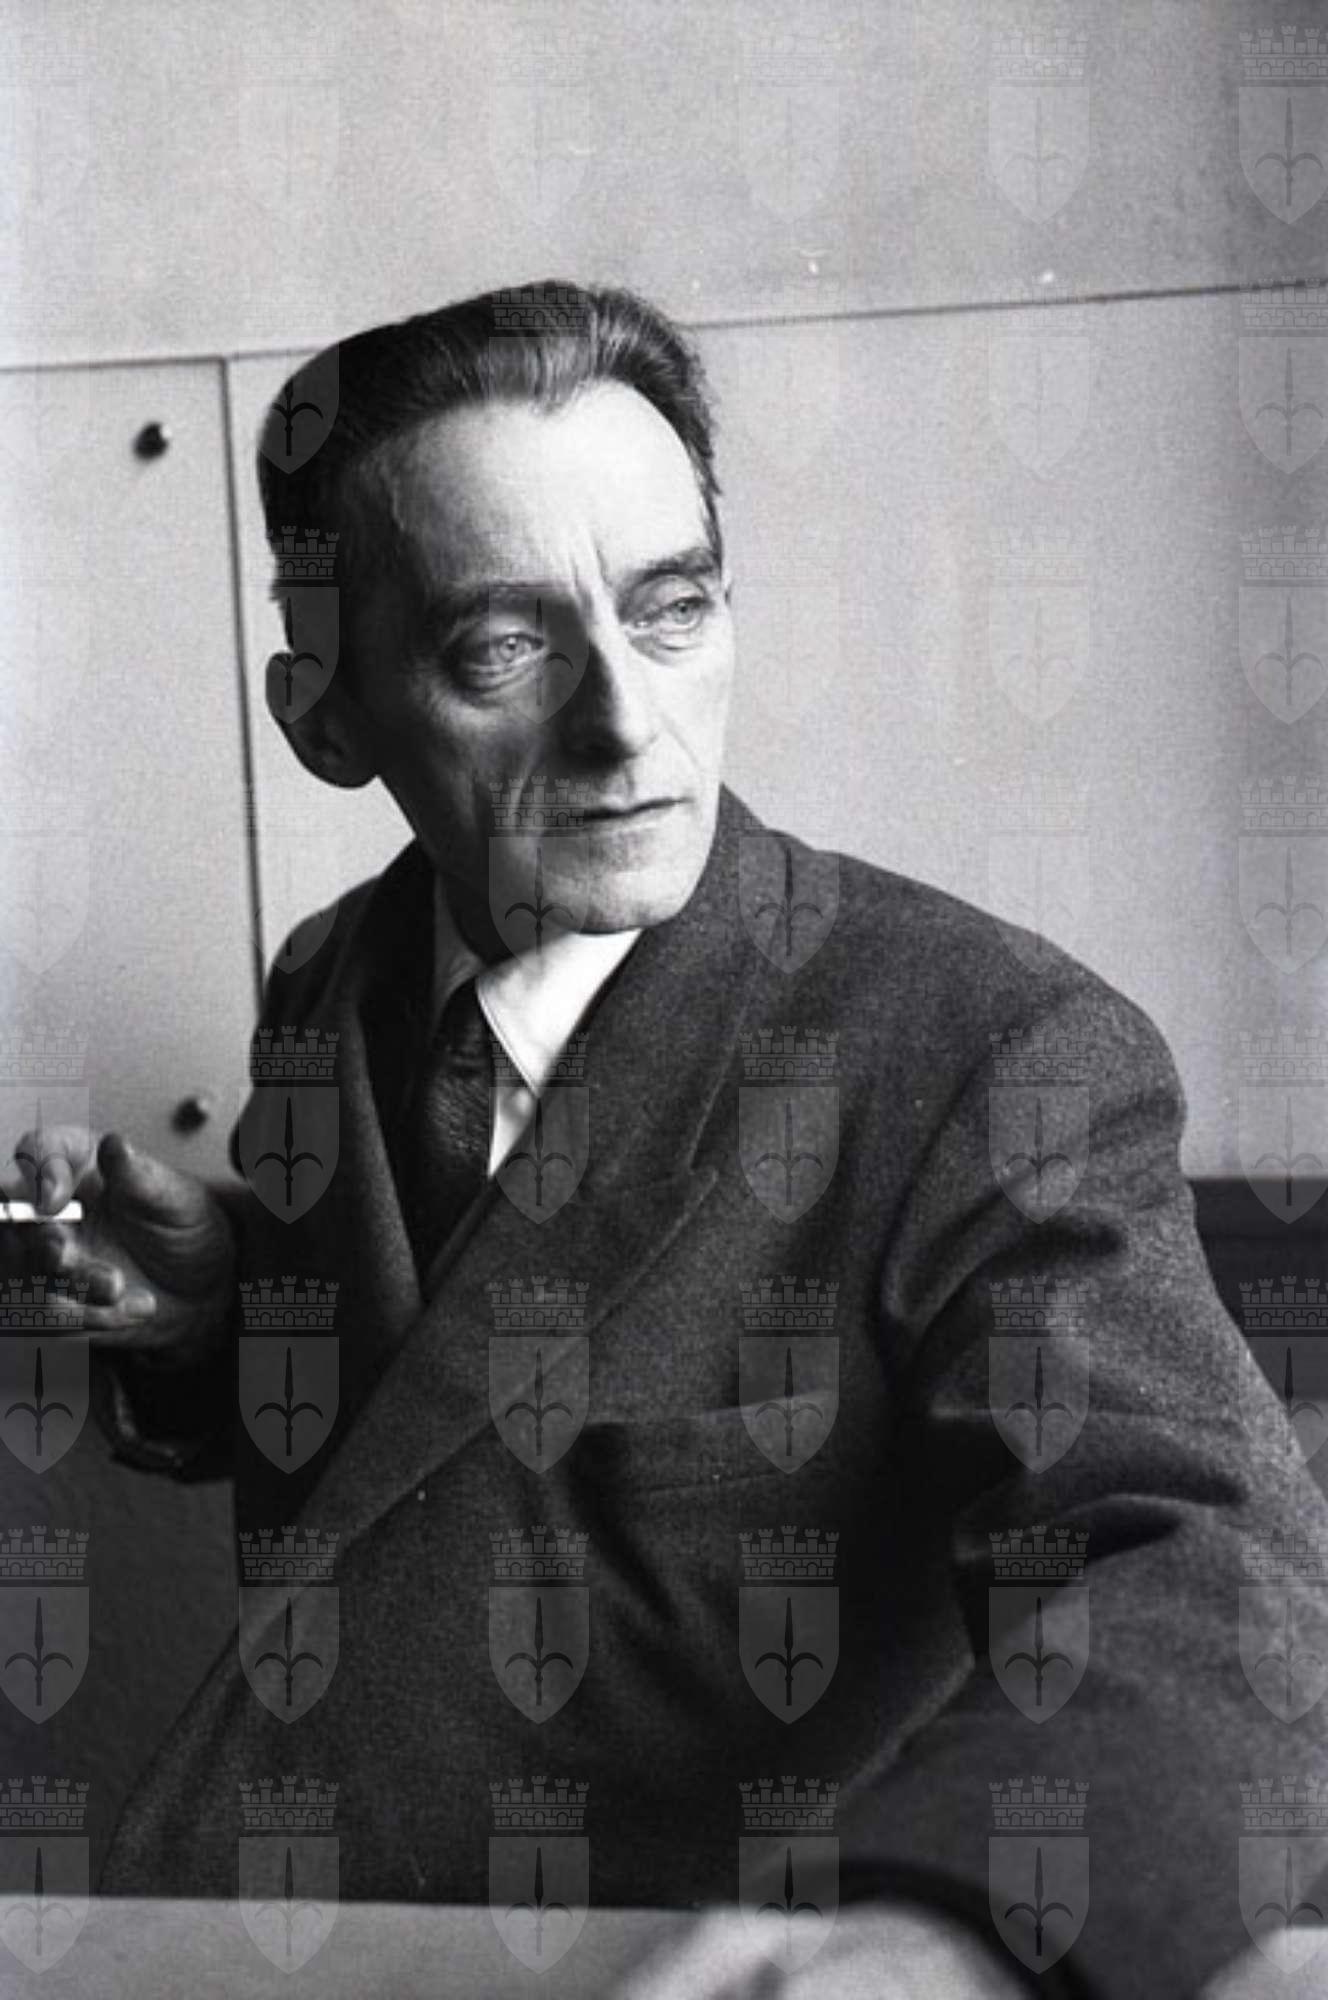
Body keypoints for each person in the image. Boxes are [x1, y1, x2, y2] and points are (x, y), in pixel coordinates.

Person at [8, 281, 1328, 1999]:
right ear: (327, 718)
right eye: (503, 649)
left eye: (672, 608)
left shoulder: (990, 1050)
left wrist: (950, 1931)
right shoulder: (335, 976)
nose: (627, 723)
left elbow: (1214, 1574)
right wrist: (218, 1320)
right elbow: (426, 1445)